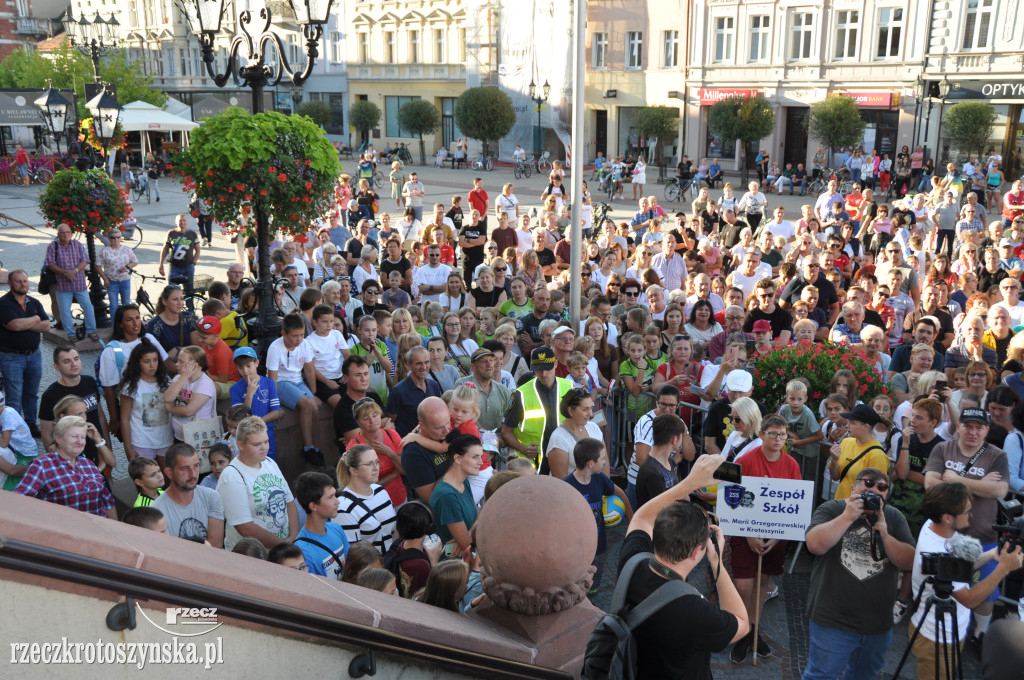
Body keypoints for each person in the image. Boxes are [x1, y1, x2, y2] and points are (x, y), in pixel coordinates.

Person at [615, 452, 748, 678]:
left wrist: (690, 482)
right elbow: (742, 624)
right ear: (698, 551)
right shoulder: (695, 610)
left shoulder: (632, 563)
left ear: (657, 535)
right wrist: (717, 563)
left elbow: (641, 518)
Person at [802, 467, 916, 680]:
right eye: (868, 484)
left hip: (877, 623)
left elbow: (909, 560)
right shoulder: (832, 509)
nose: (874, 490)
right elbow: (814, 545)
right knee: (821, 675)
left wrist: (884, 532)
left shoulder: (893, 517)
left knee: (865, 676)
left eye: (882, 487)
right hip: (832, 620)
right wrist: (847, 517)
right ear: (853, 488)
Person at [909, 482, 1023, 680]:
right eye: (967, 511)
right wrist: (1004, 568)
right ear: (947, 517)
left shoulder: (934, 526)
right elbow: (969, 599)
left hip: (948, 630)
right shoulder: (938, 553)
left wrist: (992, 555)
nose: (971, 515)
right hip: (936, 638)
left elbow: (960, 570)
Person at [922, 407, 1009, 645]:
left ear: (986, 430)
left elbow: (999, 490)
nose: (973, 432)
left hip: (983, 536)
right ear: (958, 426)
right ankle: (937, 629)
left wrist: (955, 479)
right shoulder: (943, 448)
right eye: (968, 426)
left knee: (984, 589)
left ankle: (980, 634)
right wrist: (981, 485)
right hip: (946, 535)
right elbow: (931, 485)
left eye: (979, 427)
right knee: (948, 585)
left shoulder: (997, 455)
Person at [728, 414, 803, 662]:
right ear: (762, 435)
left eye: (782, 434)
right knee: (743, 585)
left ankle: (753, 628)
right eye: (773, 434)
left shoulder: (792, 465)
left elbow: (794, 504)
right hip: (744, 533)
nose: (778, 439)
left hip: (775, 537)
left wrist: (775, 537)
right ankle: (740, 630)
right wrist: (750, 535)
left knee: (762, 583)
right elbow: (732, 497)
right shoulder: (745, 460)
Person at [218, 416, 299, 551]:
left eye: (266, 442)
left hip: (283, 549)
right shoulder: (231, 476)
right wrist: (283, 546)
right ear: (241, 445)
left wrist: (294, 537)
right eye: (257, 444)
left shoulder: (269, 462)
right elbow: (245, 527)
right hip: (252, 556)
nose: (264, 448)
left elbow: (289, 502)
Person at [564, 437, 632, 594]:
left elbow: (619, 492)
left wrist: (631, 518)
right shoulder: (567, 486)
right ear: (590, 463)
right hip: (577, 550)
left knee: (594, 585)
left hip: (599, 546)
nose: (604, 463)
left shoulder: (599, 478)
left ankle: (592, 602)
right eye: (602, 459)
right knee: (576, 586)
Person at [14, 415, 115, 518]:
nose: (80, 441)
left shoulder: (88, 464)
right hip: (63, 531)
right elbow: (20, 501)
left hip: (96, 530)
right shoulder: (41, 465)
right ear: (58, 438)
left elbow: (108, 501)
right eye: (75, 437)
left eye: (83, 437)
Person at [501, 346, 574, 472]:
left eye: (547, 368)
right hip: (532, 463)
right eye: (539, 370)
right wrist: (523, 448)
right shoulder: (521, 394)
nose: (544, 374)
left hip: (564, 456)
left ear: (556, 364)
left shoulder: (570, 388)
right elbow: (506, 432)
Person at [267, 313, 322, 467]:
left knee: (315, 407)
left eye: (302, 335)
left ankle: (316, 450)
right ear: (283, 334)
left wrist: (314, 393)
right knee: (306, 404)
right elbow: (272, 378)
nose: (299, 339)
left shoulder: (305, 345)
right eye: (295, 336)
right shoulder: (275, 348)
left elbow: (310, 371)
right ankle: (307, 448)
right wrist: (275, 405)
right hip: (281, 382)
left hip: (297, 381)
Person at [0, 269, 49, 438]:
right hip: (12, 357)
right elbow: (14, 325)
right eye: (18, 281)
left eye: (25, 281)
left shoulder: (34, 302)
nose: (23, 284)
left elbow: (47, 326)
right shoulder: (4, 303)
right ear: (10, 283)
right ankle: (12, 430)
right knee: (14, 396)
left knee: (31, 393)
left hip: (34, 355)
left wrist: (26, 323)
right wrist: (35, 319)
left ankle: (29, 424)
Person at [38, 346, 108, 456]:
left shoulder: (89, 382)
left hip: (97, 450)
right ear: (56, 367)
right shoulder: (50, 395)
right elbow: (47, 434)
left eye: (76, 359)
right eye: (67, 361)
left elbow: (100, 416)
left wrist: (106, 446)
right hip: (71, 455)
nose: (74, 364)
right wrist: (56, 460)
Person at [152, 442, 225, 547]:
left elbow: (216, 545)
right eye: (184, 468)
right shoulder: (157, 511)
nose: (192, 474)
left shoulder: (212, 497)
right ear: (169, 472)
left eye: (196, 466)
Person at [118, 341, 174, 465]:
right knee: (148, 480)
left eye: (155, 360)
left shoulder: (166, 381)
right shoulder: (130, 387)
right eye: (147, 361)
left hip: (166, 439)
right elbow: (125, 419)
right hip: (141, 442)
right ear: (137, 363)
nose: (152, 365)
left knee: (167, 478)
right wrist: (128, 448)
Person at [335, 444, 397, 554]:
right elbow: (355, 554)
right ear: (354, 470)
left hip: (392, 560)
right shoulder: (343, 507)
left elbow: (394, 531)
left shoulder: (380, 491)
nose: (376, 467)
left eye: (377, 462)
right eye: (369, 464)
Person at [429, 433, 482, 558]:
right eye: (475, 457)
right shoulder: (447, 496)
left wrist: (467, 535)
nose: (480, 462)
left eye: (481, 456)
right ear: (457, 459)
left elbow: (478, 515)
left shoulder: (464, 481)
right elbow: (467, 545)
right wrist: (466, 539)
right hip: (451, 566)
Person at [46, 224, 97, 342]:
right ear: (58, 235)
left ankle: (91, 331)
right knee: (64, 310)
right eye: (62, 233)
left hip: (79, 283)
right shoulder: (53, 246)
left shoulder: (78, 245)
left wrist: (74, 271)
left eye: (68, 232)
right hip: (62, 285)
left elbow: (85, 260)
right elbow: (50, 264)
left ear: (71, 233)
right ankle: (70, 333)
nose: (65, 235)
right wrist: (65, 273)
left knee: (88, 307)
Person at [294, 471, 350, 578]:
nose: (337, 501)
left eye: (335, 495)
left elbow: (349, 566)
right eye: (330, 497)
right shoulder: (303, 549)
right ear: (313, 506)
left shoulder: (337, 528)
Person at [400, 396, 453, 501]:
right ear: (422, 426)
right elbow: (431, 497)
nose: (447, 431)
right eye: (438, 427)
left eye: (448, 422)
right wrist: (457, 467)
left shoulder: (447, 433)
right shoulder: (412, 453)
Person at [635, 414, 690, 508]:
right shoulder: (652, 471)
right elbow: (662, 511)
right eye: (682, 436)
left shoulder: (669, 461)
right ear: (674, 439)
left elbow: (682, 495)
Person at [96, 228, 138, 321]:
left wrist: (127, 266)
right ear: (109, 238)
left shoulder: (126, 249)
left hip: (125, 280)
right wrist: (105, 279)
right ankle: (114, 327)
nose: (116, 240)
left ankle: (126, 324)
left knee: (126, 304)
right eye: (113, 237)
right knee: (114, 305)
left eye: (118, 237)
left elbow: (135, 261)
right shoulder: (105, 251)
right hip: (112, 281)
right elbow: (97, 265)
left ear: (121, 238)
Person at [158, 214, 201, 295]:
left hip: (188, 266)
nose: (182, 222)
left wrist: (193, 262)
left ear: (187, 222)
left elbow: (198, 250)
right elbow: (165, 249)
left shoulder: (192, 234)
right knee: (172, 291)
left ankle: (190, 307)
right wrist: (161, 264)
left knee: (189, 290)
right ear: (176, 222)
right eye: (180, 220)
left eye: (184, 220)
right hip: (174, 267)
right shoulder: (171, 233)